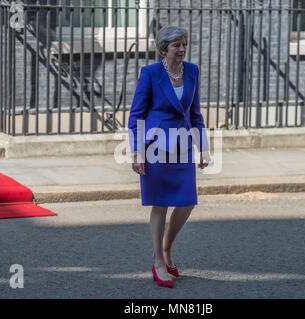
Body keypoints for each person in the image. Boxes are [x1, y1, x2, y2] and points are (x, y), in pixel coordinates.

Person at [128, 25, 210, 288]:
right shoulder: (150, 74)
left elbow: (195, 114)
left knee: (187, 201)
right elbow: (137, 115)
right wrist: (137, 151)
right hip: (156, 147)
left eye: (184, 44)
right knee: (160, 203)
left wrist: (204, 147)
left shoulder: (193, 72)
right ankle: (159, 263)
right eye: (176, 45)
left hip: (183, 146)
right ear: (164, 49)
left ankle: (165, 248)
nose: (182, 49)